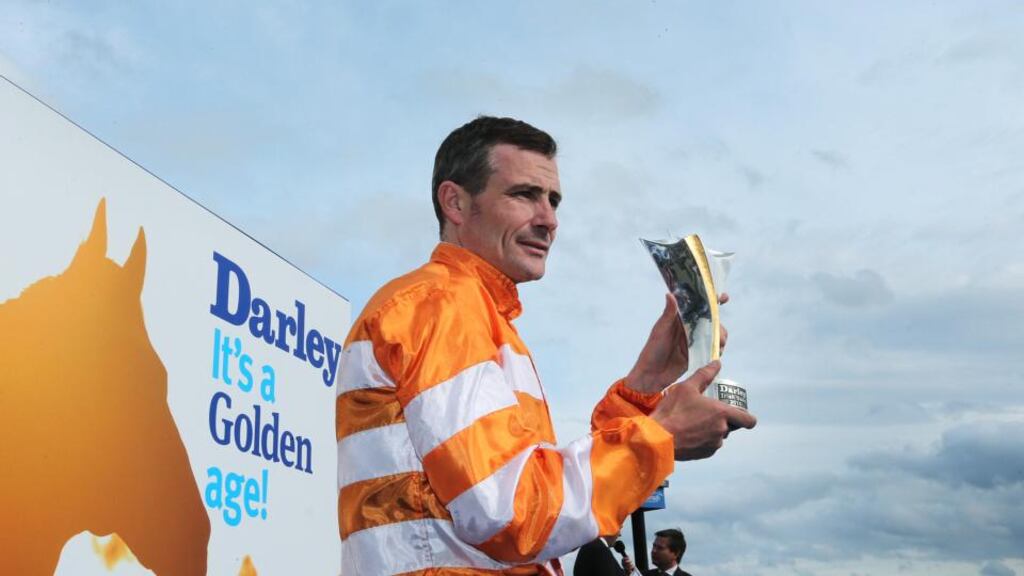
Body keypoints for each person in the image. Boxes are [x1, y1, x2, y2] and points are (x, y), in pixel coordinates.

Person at [336, 116, 757, 575]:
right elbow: (513, 511)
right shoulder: (442, 305)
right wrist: (663, 436)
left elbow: (538, 490)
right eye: (524, 195)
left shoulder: (470, 309)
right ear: (455, 202)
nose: (550, 220)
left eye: (553, 200)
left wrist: (645, 383)